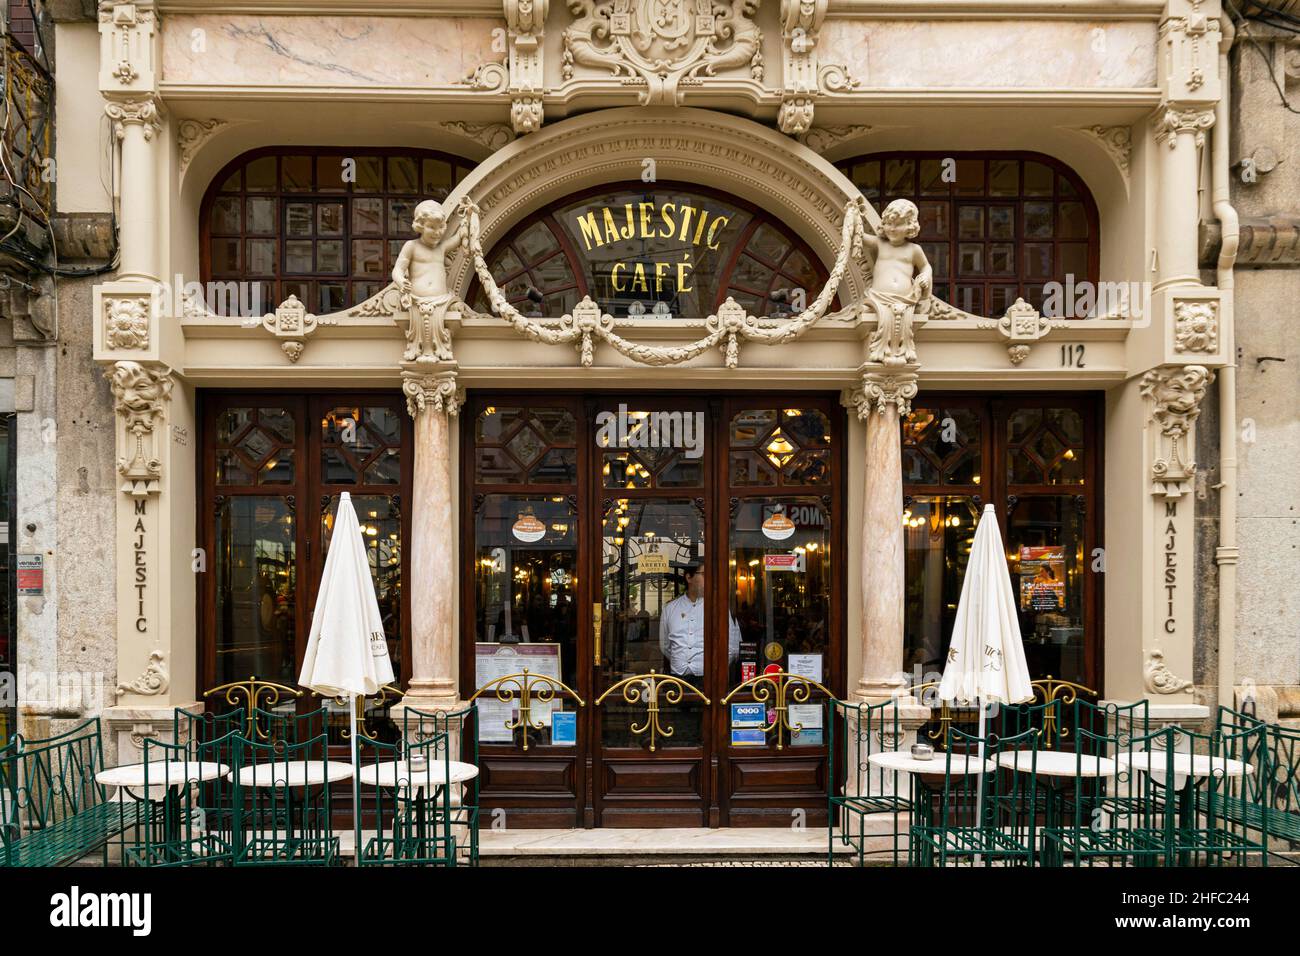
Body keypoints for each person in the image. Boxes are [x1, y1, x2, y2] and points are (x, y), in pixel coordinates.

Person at [658, 561, 740, 680]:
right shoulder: (670, 608)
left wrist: (716, 668)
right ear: (689, 578)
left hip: (710, 679)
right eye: (704, 574)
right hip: (678, 679)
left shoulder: (720, 608)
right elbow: (665, 645)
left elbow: (733, 647)